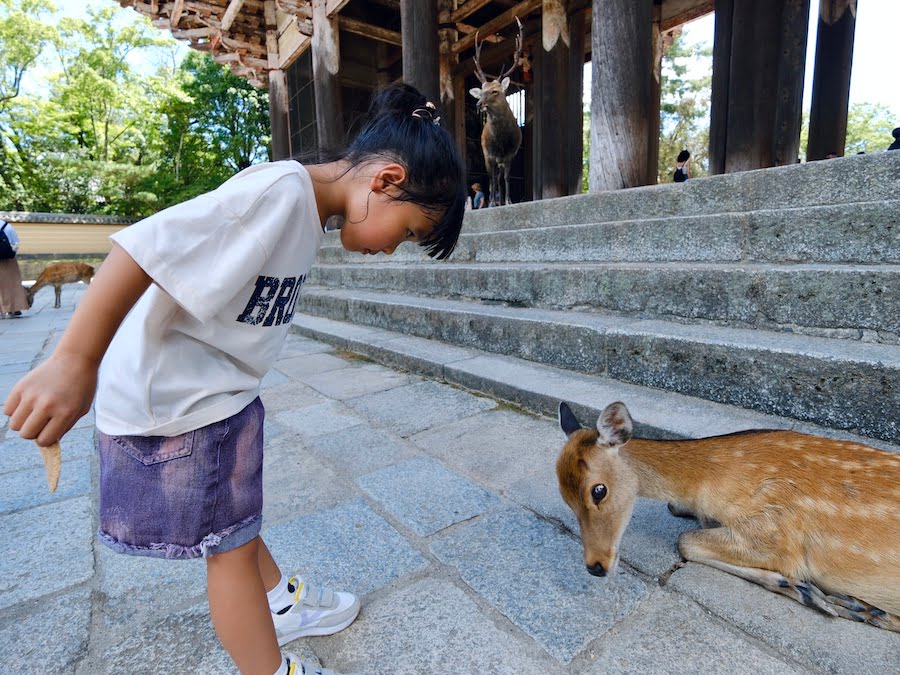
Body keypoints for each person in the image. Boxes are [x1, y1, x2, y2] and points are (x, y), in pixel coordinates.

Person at [3, 83, 466, 675]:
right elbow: (146, 248)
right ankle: (269, 669)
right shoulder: (278, 192)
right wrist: (74, 360)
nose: (394, 249)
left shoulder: (307, 210)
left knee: (236, 521)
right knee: (229, 550)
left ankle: (278, 603)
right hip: (178, 405)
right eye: (406, 233)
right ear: (386, 181)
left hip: (215, 396)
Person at [0, 218, 29, 318]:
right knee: (13, 283)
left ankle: (4, 309)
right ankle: (16, 308)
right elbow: (15, 242)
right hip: (8, 259)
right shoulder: (6, 226)